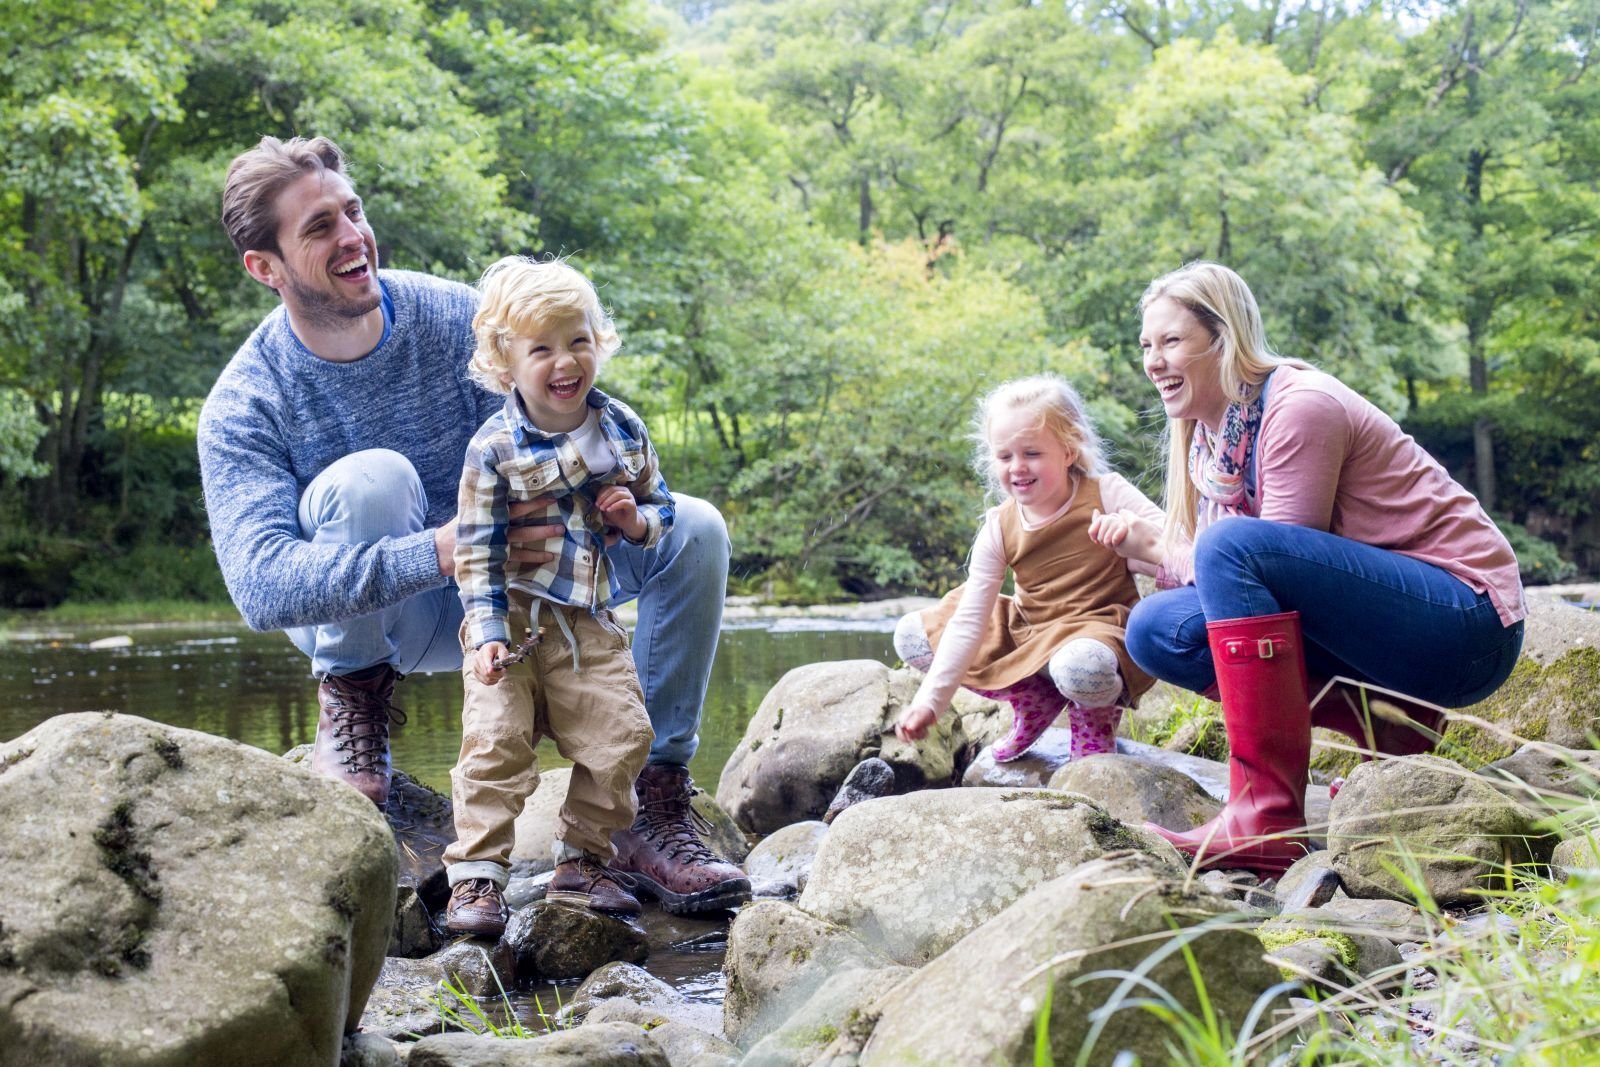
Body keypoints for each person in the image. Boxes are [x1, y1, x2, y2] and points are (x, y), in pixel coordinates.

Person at [199, 135, 749, 914]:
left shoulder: (459, 319)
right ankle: (354, 708)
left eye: (352, 211)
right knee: (373, 477)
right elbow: (261, 586)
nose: (353, 236)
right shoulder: (245, 400)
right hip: (389, 621)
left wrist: (616, 505)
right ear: (266, 266)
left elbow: (572, 408)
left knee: (695, 528)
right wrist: (439, 549)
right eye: (319, 227)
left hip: (526, 581)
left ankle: (647, 800)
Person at [1092, 261, 1526, 877]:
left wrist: (1164, 549)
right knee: (1157, 629)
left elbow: (1261, 559)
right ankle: (1396, 730)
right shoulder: (1211, 441)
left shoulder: (1301, 407)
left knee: (1229, 549)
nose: (1153, 361)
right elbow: (1241, 587)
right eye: (1146, 346)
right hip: (1386, 637)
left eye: (1171, 342)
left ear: (1224, 339)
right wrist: (1144, 552)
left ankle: (1264, 814)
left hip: (1465, 621)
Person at [440, 256, 670, 935]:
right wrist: (484, 632)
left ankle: (583, 857)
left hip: (586, 619)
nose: (565, 361)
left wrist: (635, 520)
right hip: (508, 617)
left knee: (622, 734)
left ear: (599, 343)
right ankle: (477, 874)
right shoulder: (494, 448)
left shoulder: (622, 428)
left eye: (578, 341)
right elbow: (476, 550)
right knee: (495, 740)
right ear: (505, 362)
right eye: (542, 348)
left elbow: (663, 509)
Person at [893, 375, 1163, 762]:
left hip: (1097, 630)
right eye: (1005, 456)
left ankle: (1094, 720)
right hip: (1031, 629)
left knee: (1079, 664)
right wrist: (930, 702)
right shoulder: (999, 525)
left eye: (1032, 453)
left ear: (1069, 450)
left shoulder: (1106, 492)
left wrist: (1136, 533)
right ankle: (1033, 698)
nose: (1017, 467)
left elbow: (1176, 543)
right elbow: (971, 619)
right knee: (914, 635)